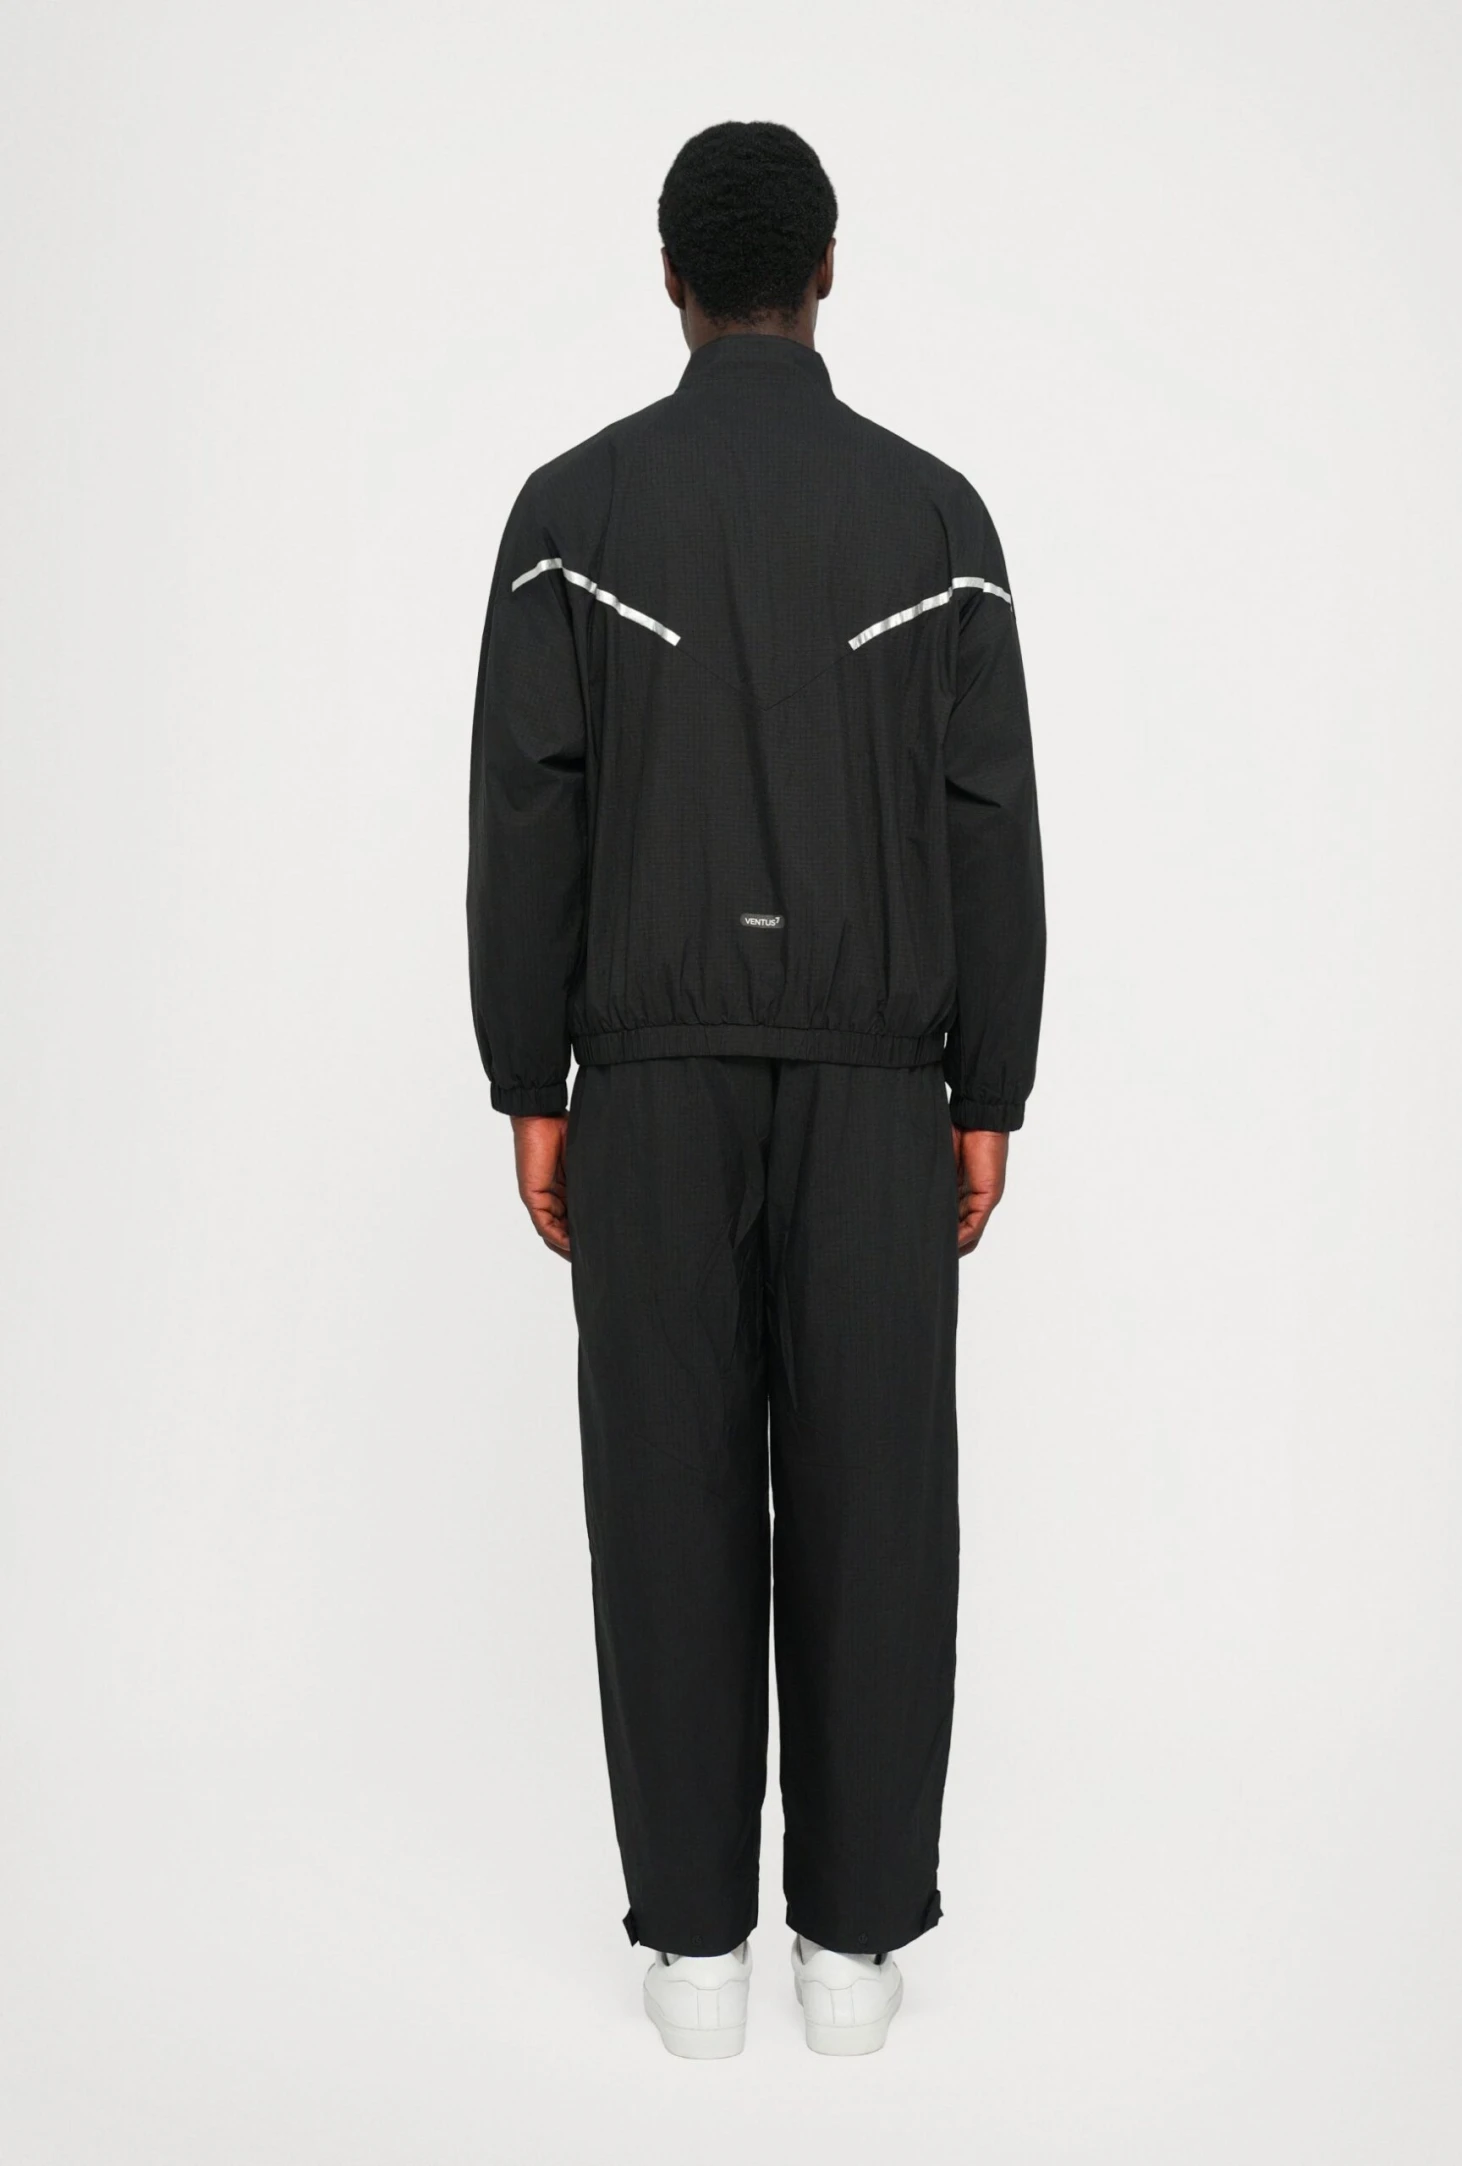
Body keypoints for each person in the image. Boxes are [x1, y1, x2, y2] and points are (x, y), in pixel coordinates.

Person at [467, 120, 1045, 2059]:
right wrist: (991, 1088)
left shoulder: (572, 512)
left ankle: (696, 1955)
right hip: (886, 1090)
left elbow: (525, 812)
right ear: (826, 271)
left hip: (644, 1080)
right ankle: (853, 1955)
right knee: (881, 1498)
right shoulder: (937, 519)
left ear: (671, 279)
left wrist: (529, 1077)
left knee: (665, 1490)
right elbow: (988, 820)